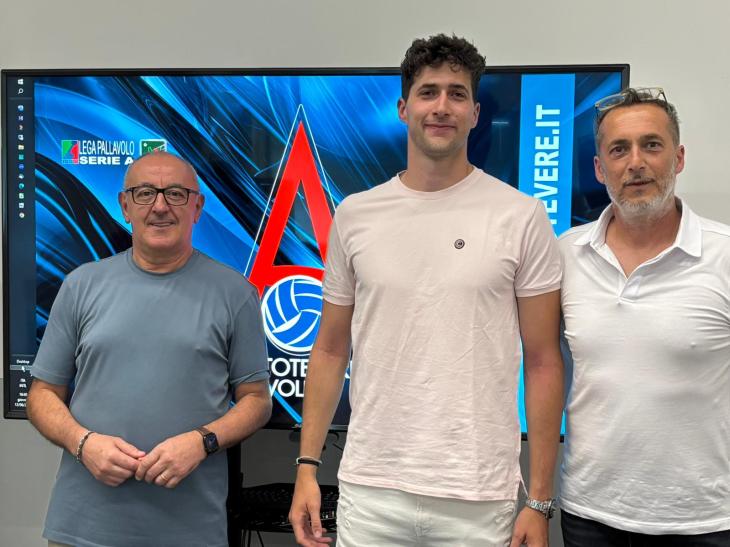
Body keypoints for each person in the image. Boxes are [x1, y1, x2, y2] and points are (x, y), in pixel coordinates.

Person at [289, 34, 564, 547]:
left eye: (457, 94)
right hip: (371, 490)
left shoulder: (521, 216)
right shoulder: (355, 214)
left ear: (475, 113)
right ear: (403, 108)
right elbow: (329, 349)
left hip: (478, 496)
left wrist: (540, 500)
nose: (442, 106)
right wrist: (307, 467)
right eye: (428, 92)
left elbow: (544, 360)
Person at [27, 151, 272, 547]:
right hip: (83, 530)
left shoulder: (236, 293)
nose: (160, 207)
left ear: (197, 207)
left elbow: (257, 401)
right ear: (125, 206)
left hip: (190, 531)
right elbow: (41, 395)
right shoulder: (80, 286)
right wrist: (83, 443)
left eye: (175, 193)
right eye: (144, 193)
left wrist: (202, 441)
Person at [558, 87, 730, 546]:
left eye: (651, 145)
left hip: (704, 521)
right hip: (589, 514)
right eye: (619, 149)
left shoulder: (724, 254)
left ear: (678, 158)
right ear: (600, 169)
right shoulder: (566, 255)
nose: (635, 163)